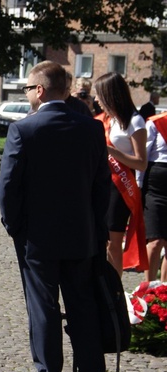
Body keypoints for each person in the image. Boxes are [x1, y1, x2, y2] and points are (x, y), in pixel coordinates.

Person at [0, 61, 110, 372]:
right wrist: (97, 227)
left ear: (40, 90)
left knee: (42, 304)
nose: (27, 94)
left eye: (28, 88)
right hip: (82, 233)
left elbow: (8, 187)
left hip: (37, 235)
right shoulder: (91, 128)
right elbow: (101, 186)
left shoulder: (25, 129)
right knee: (83, 303)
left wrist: (14, 225)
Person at [94, 72, 148, 277]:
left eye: (99, 94)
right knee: (103, 239)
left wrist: (111, 150)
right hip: (104, 182)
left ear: (109, 94)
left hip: (121, 187)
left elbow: (141, 163)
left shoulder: (135, 122)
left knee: (114, 241)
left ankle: (114, 286)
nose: (97, 99)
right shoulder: (108, 120)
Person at [140, 112, 167, 281]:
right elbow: (143, 157)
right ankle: (148, 291)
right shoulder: (156, 123)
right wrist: (138, 185)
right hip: (156, 188)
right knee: (155, 241)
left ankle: (164, 293)